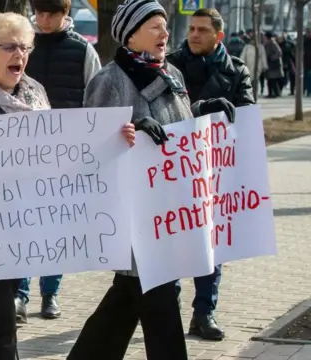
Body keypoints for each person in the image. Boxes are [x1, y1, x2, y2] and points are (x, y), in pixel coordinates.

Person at [0, 11, 134, 359]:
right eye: (10, 47)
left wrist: (112, 139)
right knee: (2, 326)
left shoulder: (35, 91)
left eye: (25, 47)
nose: (20, 54)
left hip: (24, 226)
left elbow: (58, 151)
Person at [68, 1, 234, 358]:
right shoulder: (109, 79)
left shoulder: (169, 72)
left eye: (165, 26)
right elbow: (91, 146)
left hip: (168, 209)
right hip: (135, 215)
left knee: (125, 302)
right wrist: (127, 131)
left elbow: (179, 127)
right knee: (157, 303)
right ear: (131, 34)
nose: (165, 34)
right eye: (155, 27)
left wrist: (205, 112)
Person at [166, 7, 252, 342]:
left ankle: (204, 312)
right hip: (173, 170)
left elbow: (245, 116)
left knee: (210, 246)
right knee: (171, 241)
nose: (194, 35)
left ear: (218, 36)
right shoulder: (171, 67)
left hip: (214, 173)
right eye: (191, 29)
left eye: (202, 30)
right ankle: (166, 311)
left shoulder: (236, 71)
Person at [17, 0, 102, 322]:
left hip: (66, 153)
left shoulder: (82, 50)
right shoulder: (23, 46)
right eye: (39, 13)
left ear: (65, 14)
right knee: (24, 225)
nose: (44, 19)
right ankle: (19, 295)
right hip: (25, 149)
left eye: (51, 13)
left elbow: (93, 99)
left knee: (55, 226)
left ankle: (50, 294)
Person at [264, 31, 283, 98]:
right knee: (271, 80)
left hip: (273, 65)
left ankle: (273, 93)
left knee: (272, 80)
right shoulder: (268, 43)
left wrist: (272, 58)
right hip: (270, 64)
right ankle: (273, 93)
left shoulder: (272, 43)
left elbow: (279, 52)